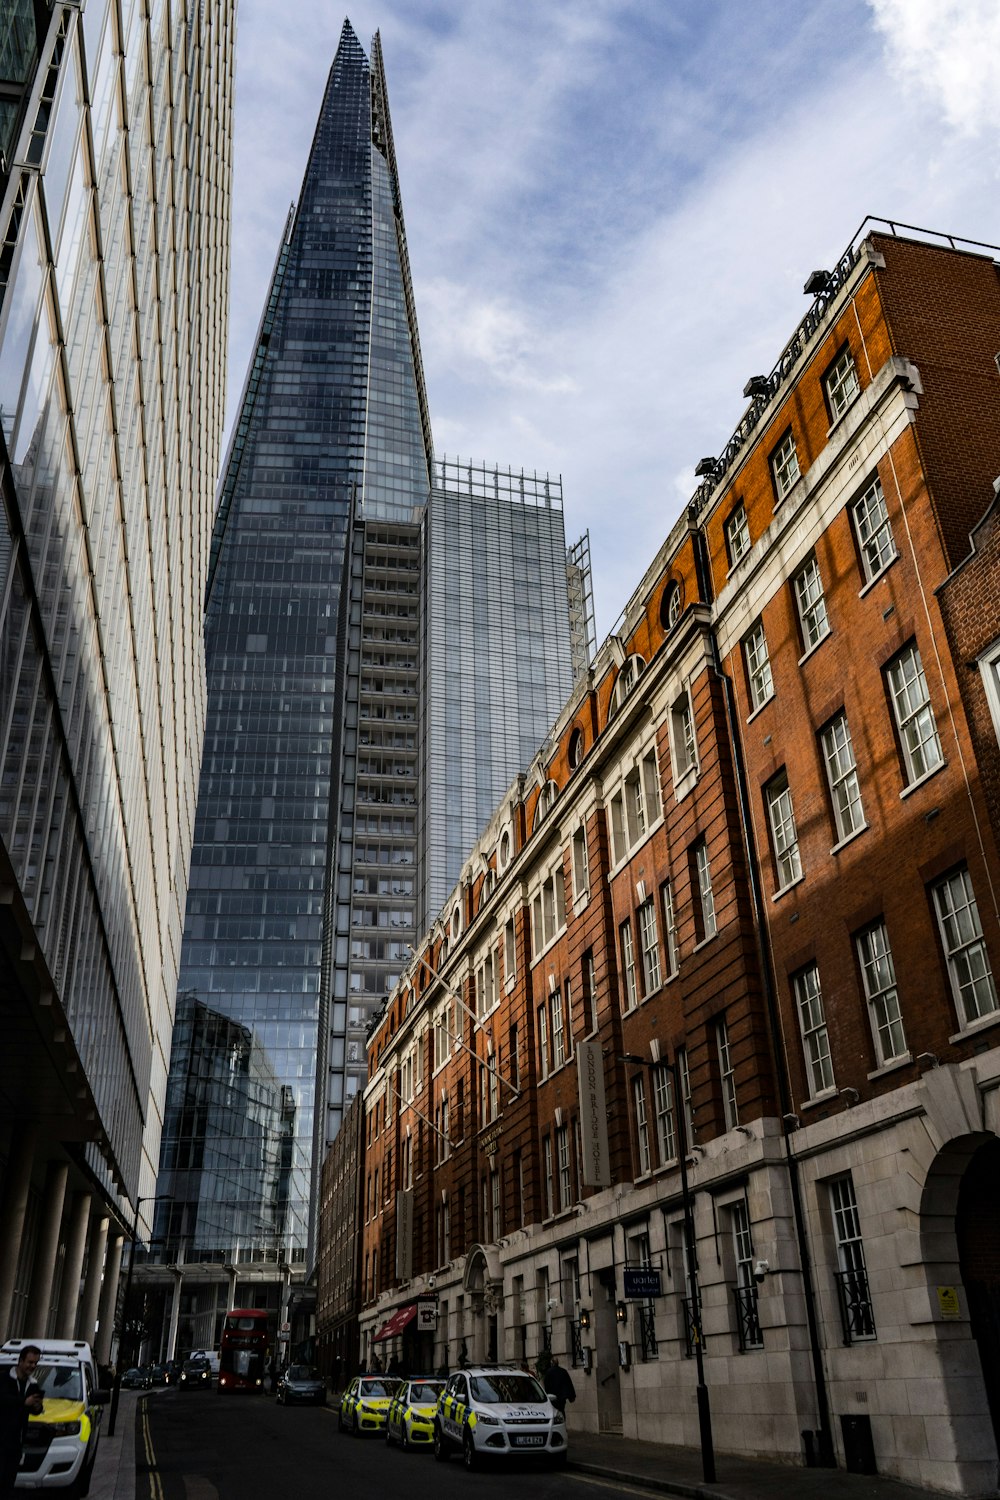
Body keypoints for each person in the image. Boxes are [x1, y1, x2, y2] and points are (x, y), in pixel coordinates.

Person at [0, 1345, 44, 1499]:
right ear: (20, 1361)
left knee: (8, 1483)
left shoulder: (33, 1384)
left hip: (16, 1442)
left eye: (35, 1363)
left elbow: (33, 1409)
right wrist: (24, 1402)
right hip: (2, 1438)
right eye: (29, 1362)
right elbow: (3, 1399)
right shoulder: (4, 1379)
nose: (32, 1366)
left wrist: (37, 1407)